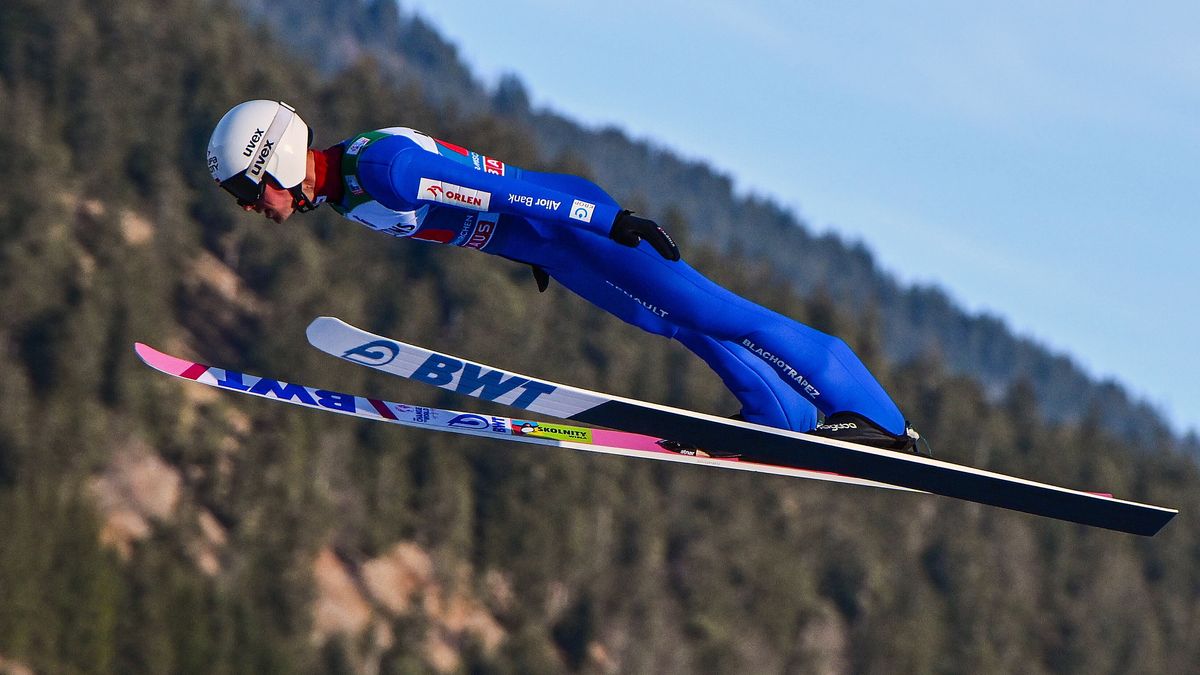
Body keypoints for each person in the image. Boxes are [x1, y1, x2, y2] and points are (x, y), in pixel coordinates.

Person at [206, 100, 920, 452]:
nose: (253, 208)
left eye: (248, 190)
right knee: (669, 320)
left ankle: (876, 418)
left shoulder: (382, 172)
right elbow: (484, 215)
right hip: (555, 246)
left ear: (279, 160)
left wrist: (611, 223)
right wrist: (530, 255)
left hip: (573, 225)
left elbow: (510, 190)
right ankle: (782, 413)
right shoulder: (352, 191)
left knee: (718, 311)